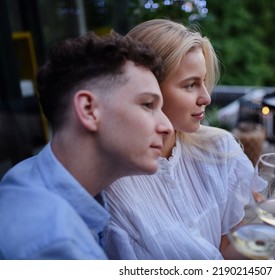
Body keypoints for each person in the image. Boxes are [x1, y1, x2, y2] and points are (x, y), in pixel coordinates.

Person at [102, 19, 275, 260]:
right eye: (190, 85)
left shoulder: (217, 150)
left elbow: (225, 250)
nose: (206, 97)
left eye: (204, 82)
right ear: (147, 89)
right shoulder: (112, 185)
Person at [0, 31, 173, 259]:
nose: (167, 126)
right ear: (88, 110)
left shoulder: (26, 175)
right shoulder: (55, 244)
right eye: (148, 104)